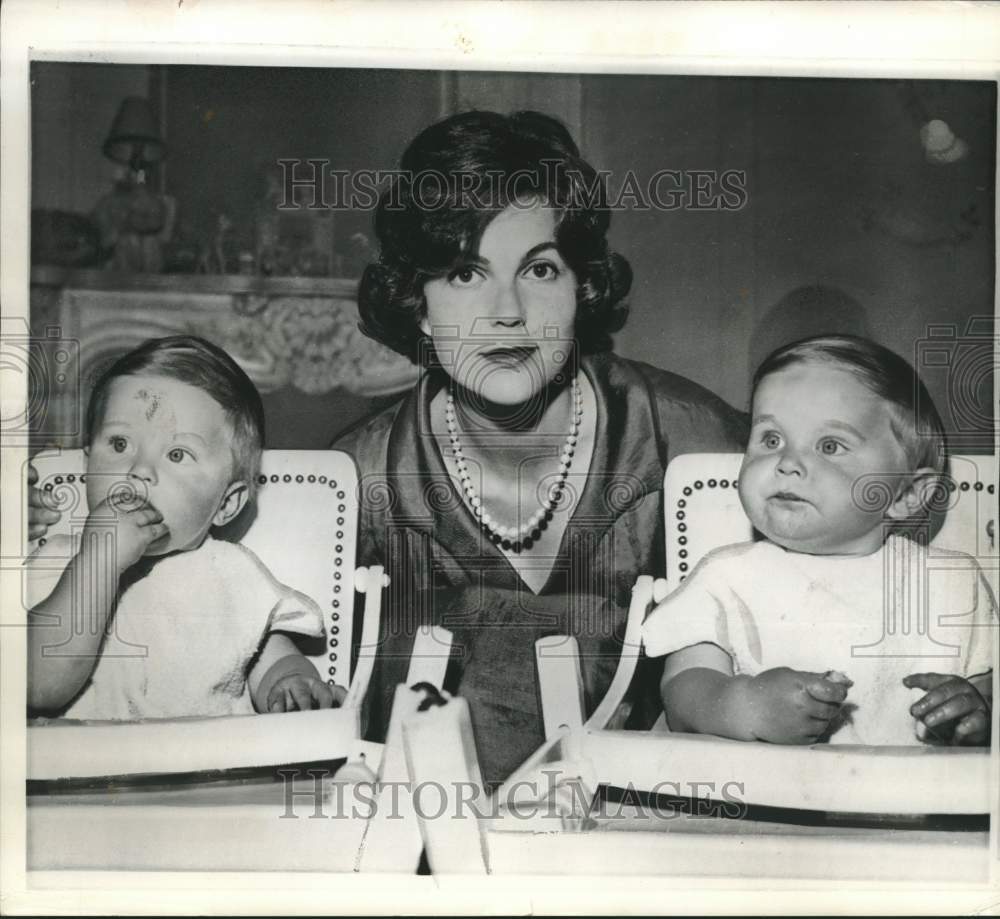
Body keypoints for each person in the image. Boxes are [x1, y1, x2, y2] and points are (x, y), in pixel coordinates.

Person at [333, 110, 748, 785]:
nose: (507, 311)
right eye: (466, 274)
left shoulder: (695, 445)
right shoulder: (356, 481)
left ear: (581, 288)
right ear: (416, 302)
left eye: (540, 269)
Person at [642, 335, 995, 746]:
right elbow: (684, 691)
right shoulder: (727, 575)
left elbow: (986, 685)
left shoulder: (951, 582)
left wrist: (978, 712)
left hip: (919, 803)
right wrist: (746, 705)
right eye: (771, 439)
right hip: (765, 800)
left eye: (830, 446)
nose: (788, 463)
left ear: (906, 495)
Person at [26, 336, 342, 719]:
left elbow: (274, 662)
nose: (139, 470)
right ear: (87, 465)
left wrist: (290, 685)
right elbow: (37, 688)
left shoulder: (230, 574)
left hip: (208, 774)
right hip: (78, 773)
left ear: (226, 503)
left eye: (177, 454)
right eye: (120, 443)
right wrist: (98, 562)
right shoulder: (55, 559)